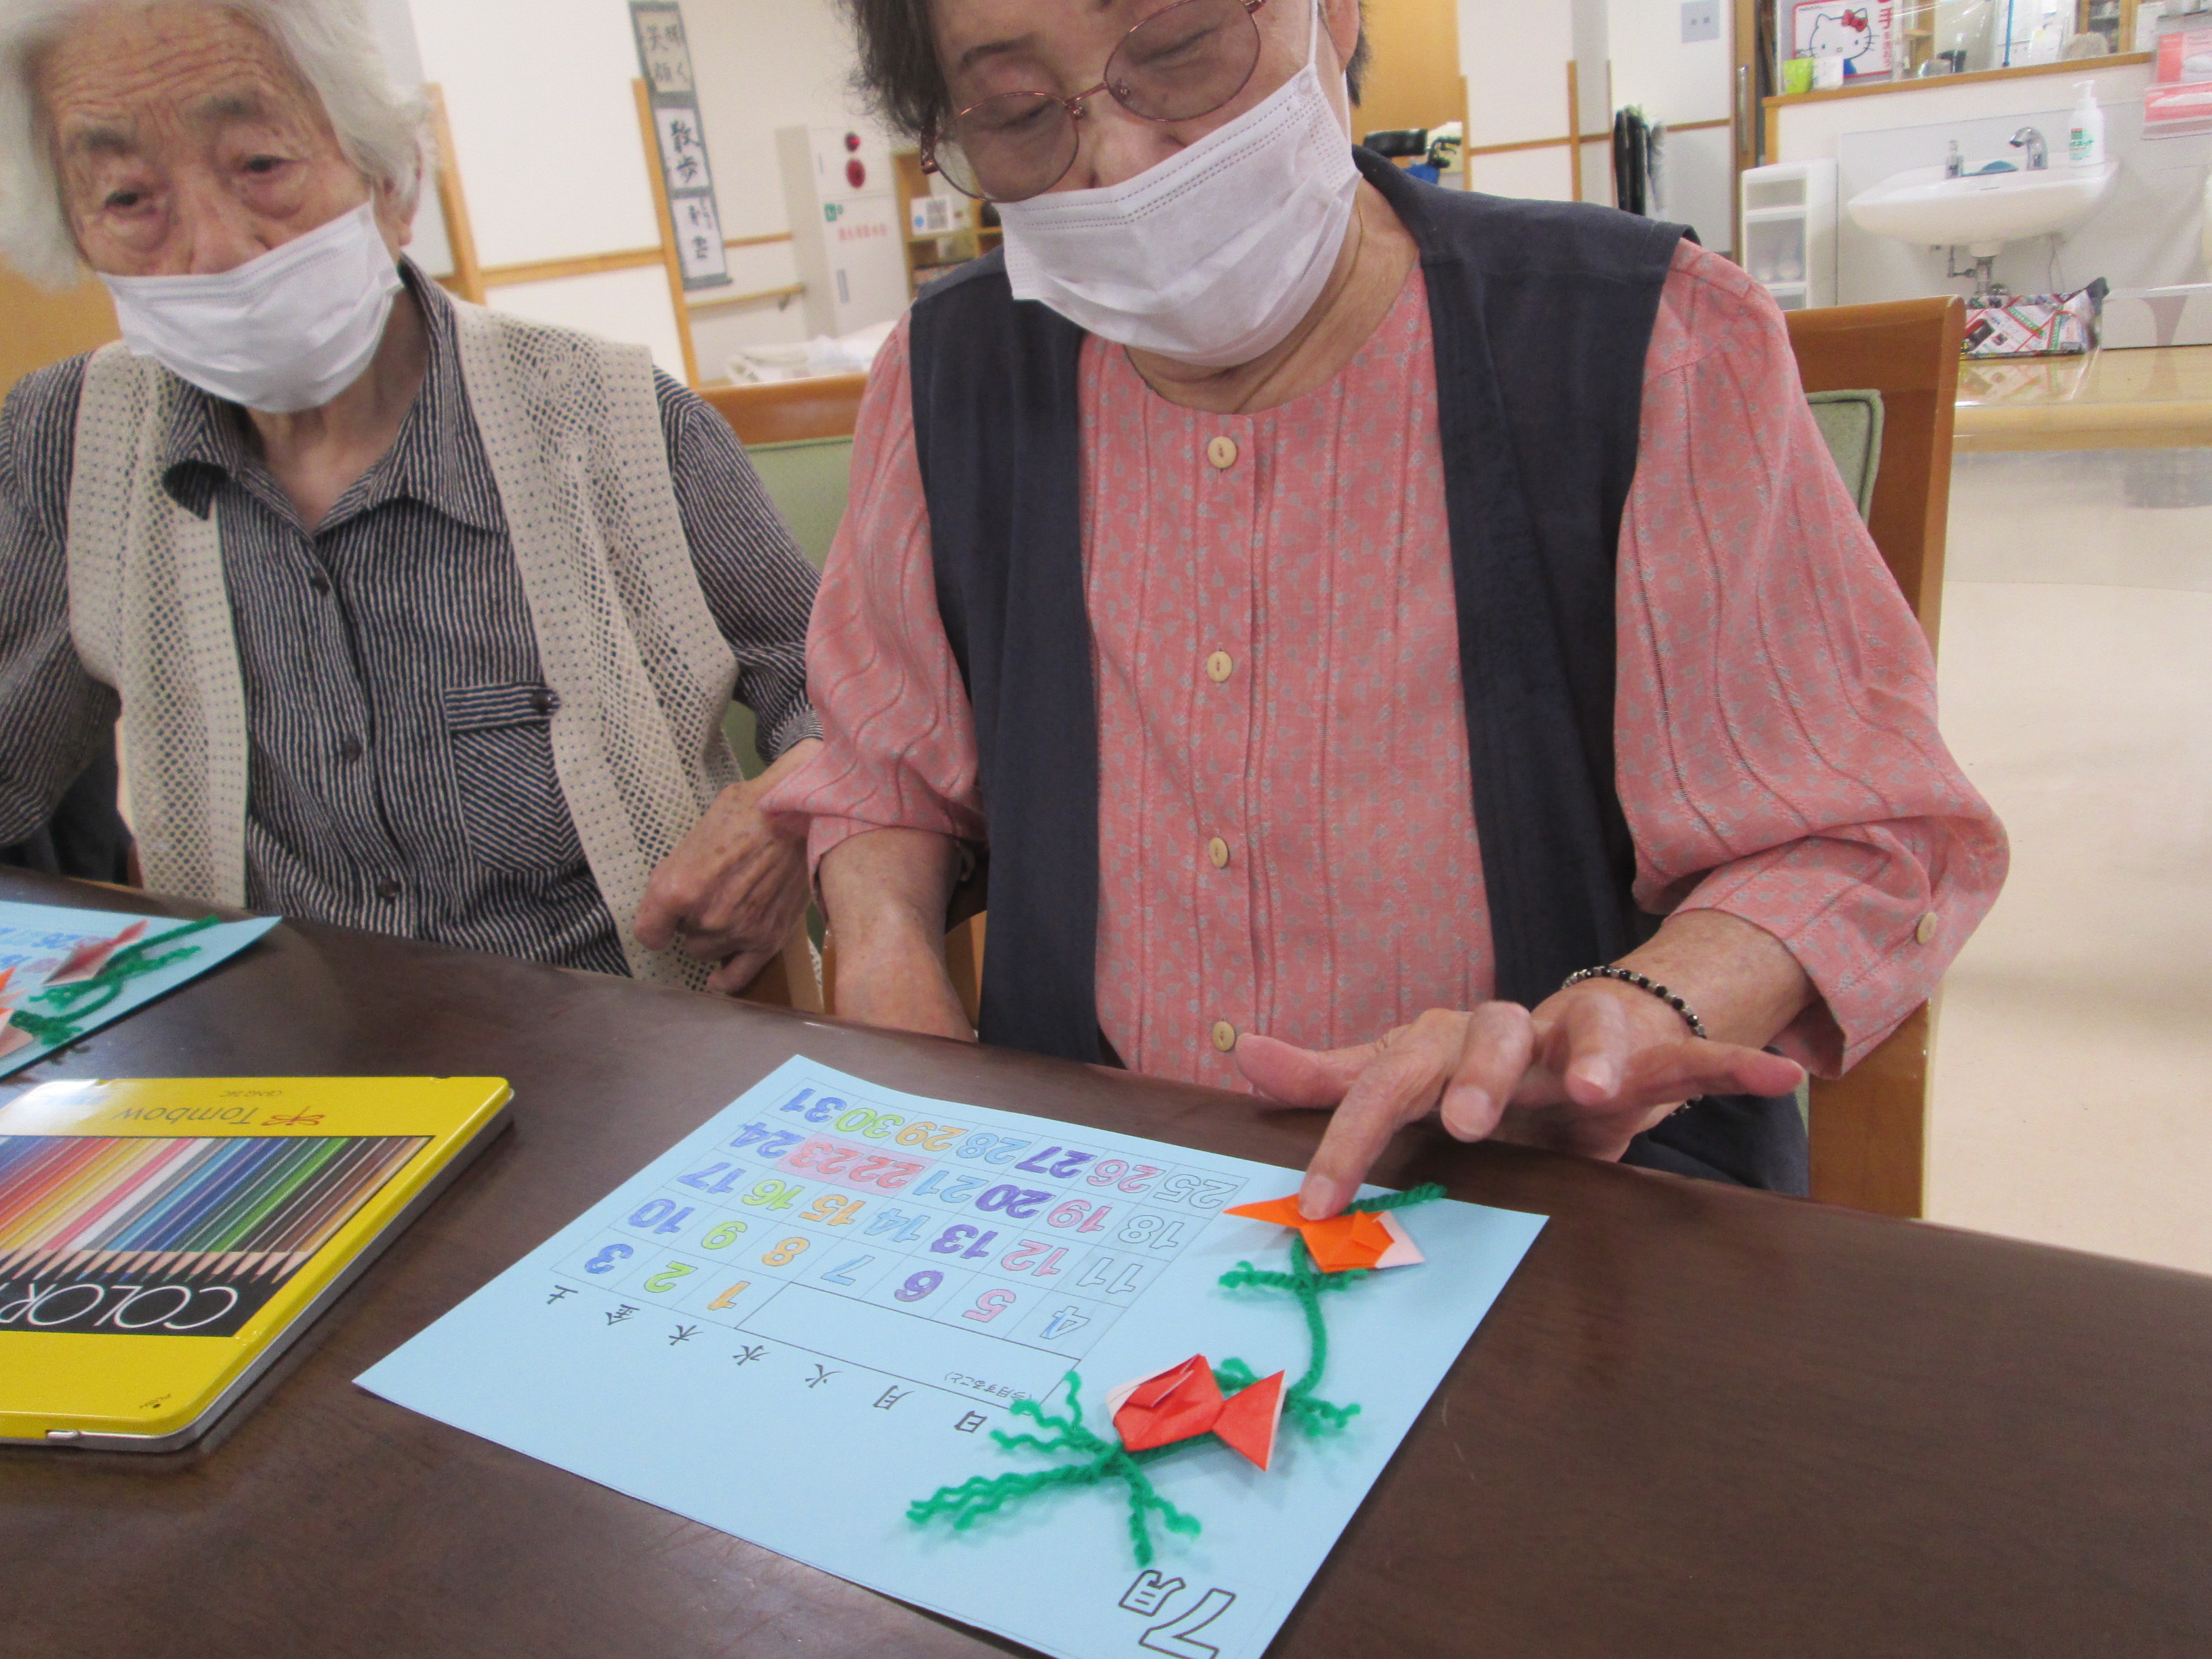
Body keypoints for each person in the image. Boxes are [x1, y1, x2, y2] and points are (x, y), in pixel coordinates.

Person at [771, 0, 2009, 1212]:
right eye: (1018, 112)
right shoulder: (949, 378)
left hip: (1547, 1205)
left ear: (1338, 14)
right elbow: (887, 771)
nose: (1122, 160)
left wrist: (1642, 1012)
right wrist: (885, 955)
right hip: (1092, 1198)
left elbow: (1852, 833)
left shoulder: (1643, 338)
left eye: (1181, 50)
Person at [0, 0, 820, 993]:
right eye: (130, 199)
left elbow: (838, 692)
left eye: (260, 165)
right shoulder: (71, 449)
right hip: (280, 1049)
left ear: (392, 182)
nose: (212, 249)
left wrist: (782, 812)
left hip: (626, 1037)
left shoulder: (614, 419)